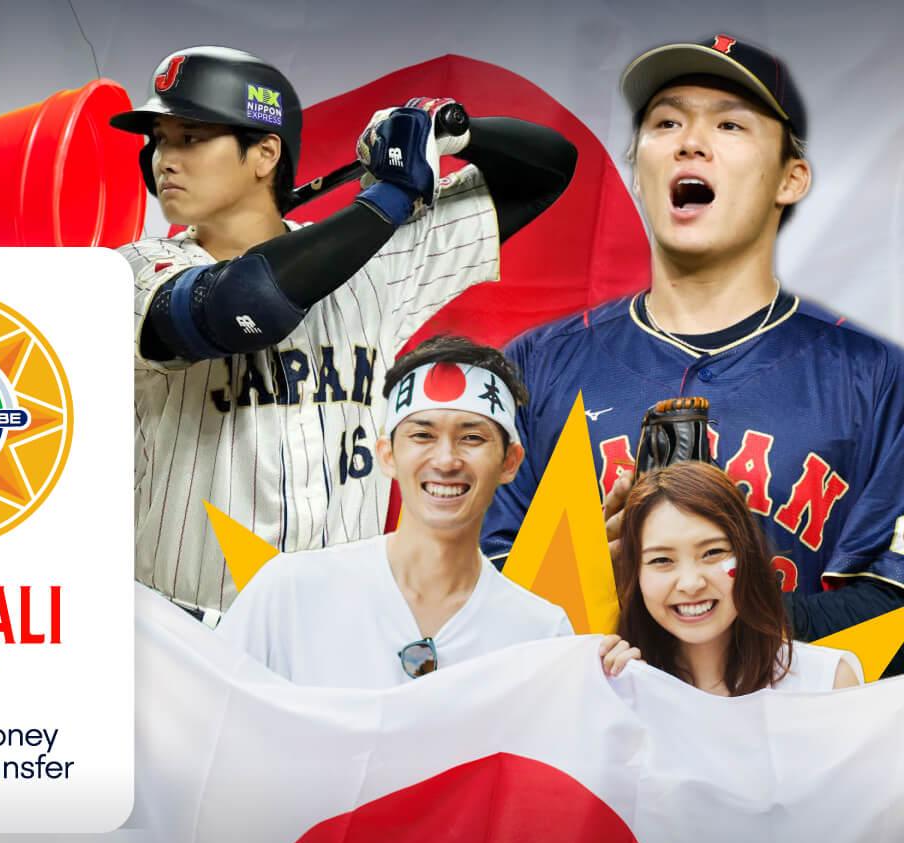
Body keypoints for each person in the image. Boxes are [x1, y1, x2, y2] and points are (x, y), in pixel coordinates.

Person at [482, 34, 904, 676]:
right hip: (593, 755)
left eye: (730, 124)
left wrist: (721, 618)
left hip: (792, 753)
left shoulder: (877, 378)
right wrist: (585, 573)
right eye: (666, 122)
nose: (690, 141)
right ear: (639, 168)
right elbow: (477, 600)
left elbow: (895, 605)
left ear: (791, 178)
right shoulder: (535, 367)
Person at [111, 45, 578, 623]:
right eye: (158, 139)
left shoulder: (376, 259)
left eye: (189, 137)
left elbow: (548, 170)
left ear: (264, 153)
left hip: (343, 630)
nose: (164, 158)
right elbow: (244, 305)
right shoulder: (133, 269)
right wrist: (389, 196)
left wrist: (452, 132)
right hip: (191, 631)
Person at [218, 336, 571, 687]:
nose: (446, 460)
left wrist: (619, 678)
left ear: (510, 462)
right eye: (422, 436)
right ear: (387, 455)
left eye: (472, 438)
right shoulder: (288, 594)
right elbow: (212, 720)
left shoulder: (541, 634)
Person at [599, 462, 859, 693]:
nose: (691, 584)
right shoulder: (615, 688)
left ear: (748, 556)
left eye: (713, 553)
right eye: (662, 560)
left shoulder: (826, 682)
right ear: (635, 573)